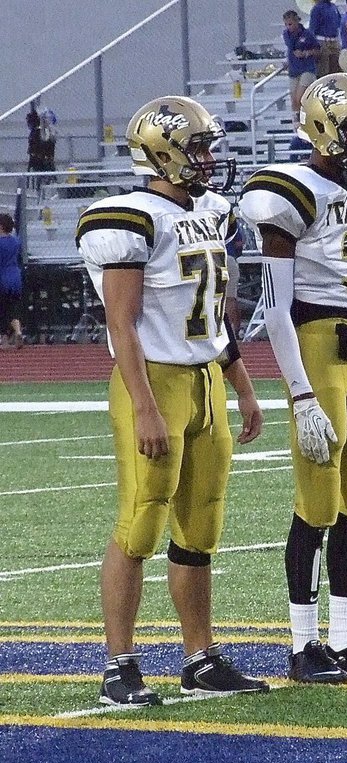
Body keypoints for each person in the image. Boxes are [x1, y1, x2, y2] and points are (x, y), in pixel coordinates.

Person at [76, 95, 269, 707]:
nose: (209, 159)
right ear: (162, 151)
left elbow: (216, 316)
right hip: (153, 381)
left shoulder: (211, 211)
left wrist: (242, 389)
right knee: (140, 524)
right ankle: (120, 666)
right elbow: (123, 324)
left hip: (206, 379)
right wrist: (146, 407)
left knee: (200, 529)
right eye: (199, 147)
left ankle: (199, 657)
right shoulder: (131, 218)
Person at [238, 73, 347, 684]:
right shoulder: (291, 193)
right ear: (323, 129)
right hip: (314, 346)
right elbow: (276, 309)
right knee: (316, 504)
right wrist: (302, 395)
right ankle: (302, 644)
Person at [284, 10, 320, 120]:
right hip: (294, 70)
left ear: (296, 22)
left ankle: (306, 119)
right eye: (286, 25)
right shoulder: (286, 35)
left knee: (299, 97)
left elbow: (318, 50)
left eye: (290, 24)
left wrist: (306, 53)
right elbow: (291, 49)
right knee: (294, 100)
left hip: (307, 68)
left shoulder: (307, 34)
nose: (288, 27)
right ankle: (297, 122)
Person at [0, 212, 24, 349]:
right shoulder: (15, 241)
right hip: (15, 276)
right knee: (13, 307)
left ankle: (4, 339)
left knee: (2, 309)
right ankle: (18, 331)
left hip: (2, 277)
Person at [309, 0, 342, 77]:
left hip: (334, 40)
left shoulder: (334, 7)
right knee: (323, 70)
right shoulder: (317, 8)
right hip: (322, 41)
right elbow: (313, 28)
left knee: (337, 69)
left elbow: (338, 22)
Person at [225, 222, 246, 338]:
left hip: (210, 258)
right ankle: (234, 331)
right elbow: (240, 242)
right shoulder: (229, 221)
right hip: (228, 257)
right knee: (230, 298)